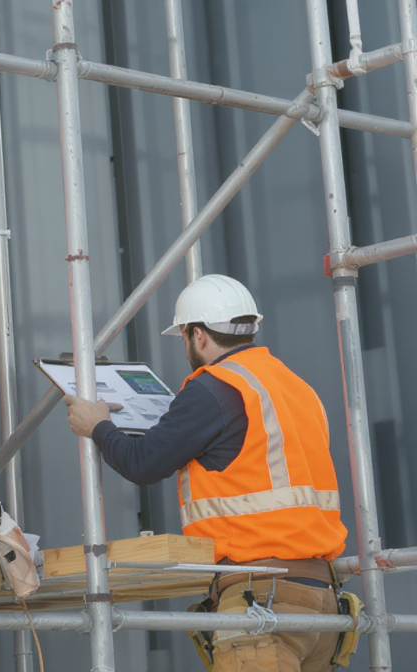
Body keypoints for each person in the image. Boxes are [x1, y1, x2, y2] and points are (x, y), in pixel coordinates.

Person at [64, 274, 349, 671]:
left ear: (198, 335)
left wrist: (98, 425)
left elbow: (143, 462)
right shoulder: (294, 387)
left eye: (183, 337)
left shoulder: (213, 387)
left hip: (262, 596)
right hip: (321, 597)